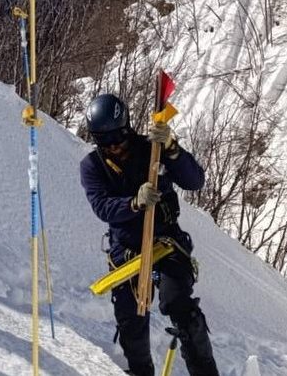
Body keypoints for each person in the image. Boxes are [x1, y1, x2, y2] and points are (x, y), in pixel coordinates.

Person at [80, 94, 219, 376]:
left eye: (117, 137)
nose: (113, 146)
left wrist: (172, 149)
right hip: (127, 248)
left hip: (166, 242)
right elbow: (102, 206)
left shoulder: (152, 149)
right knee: (130, 316)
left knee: (178, 304)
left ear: (127, 128)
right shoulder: (92, 166)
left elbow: (194, 181)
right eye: (104, 141)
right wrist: (134, 203)